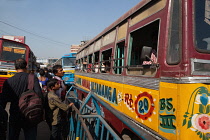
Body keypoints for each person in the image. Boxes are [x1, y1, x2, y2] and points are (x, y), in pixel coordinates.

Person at [0, 58, 43, 140]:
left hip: (14, 114)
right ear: (26, 66)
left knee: (13, 137)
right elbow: (39, 95)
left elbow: (3, 100)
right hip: (30, 114)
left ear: (15, 67)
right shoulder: (32, 78)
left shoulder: (8, 81)